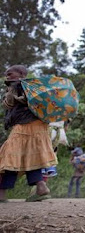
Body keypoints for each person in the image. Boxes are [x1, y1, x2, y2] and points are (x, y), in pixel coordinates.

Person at [0, 65, 57, 202]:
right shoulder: (35, 88)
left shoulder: (20, 85)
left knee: (9, 157)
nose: (7, 76)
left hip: (25, 127)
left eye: (10, 73)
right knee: (29, 158)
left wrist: (11, 91)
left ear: (21, 74)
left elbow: (11, 103)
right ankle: (41, 187)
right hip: (39, 127)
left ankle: (1, 193)